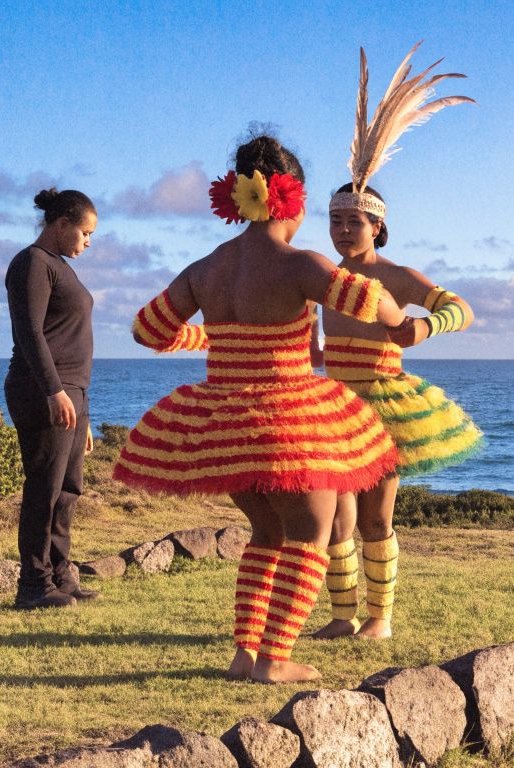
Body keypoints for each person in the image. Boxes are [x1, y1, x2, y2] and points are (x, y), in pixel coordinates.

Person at [111, 133, 406, 683]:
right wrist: (400, 321)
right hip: (284, 422)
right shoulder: (298, 263)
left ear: (239, 197)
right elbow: (371, 300)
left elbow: (147, 329)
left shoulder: (207, 267)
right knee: (311, 536)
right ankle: (274, 659)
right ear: (291, 201)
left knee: (265, 537)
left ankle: (244, 653)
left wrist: (218, 340)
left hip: (226, 427)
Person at [304, 44, 480, 640]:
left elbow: (461, 308)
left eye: (353, 221)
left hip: (383, 404)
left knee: (376, 519)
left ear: (377, 225)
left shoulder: (396, 277)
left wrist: (423, 327)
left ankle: (379, 617)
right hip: (331, 403)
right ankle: (342, 615)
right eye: (334, 220)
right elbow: (306, 333)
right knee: (335, 521)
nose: (342, 229)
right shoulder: (319, 278)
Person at [4, 188, 98, 610]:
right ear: (61, 225)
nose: (87, 242)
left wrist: (82, 409)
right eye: (84, 233)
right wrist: (54, 390)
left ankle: (61, 574)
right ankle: (33, 585)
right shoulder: (32, 264)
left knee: (68, 489)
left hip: (72, 392)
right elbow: (30, 333)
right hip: (43, 390)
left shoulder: (59, 266)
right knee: (44, 487)